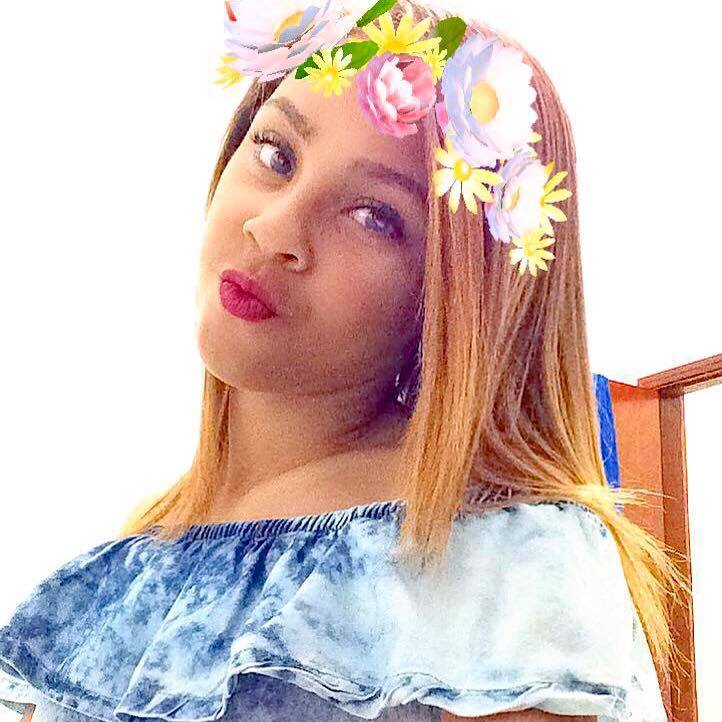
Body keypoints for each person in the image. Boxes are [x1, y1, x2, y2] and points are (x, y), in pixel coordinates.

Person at [0, 2, 686, 721]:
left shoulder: (498, 567)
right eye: (276, 154)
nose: (275, 228)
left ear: (456, 296)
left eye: (374, 216)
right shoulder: (109, 582)